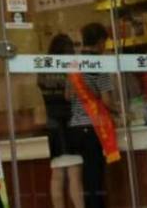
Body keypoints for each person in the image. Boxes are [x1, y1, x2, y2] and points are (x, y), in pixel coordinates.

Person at [66, 22, 118, 208]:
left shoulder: (74, 65)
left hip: (76, 128)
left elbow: (67, 95)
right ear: (100, 41)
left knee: (86, 178)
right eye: (105, 42)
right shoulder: (98, 65)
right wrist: (119, 111)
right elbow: (107, 101)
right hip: (93, 127)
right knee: (95, 177)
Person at [38, 34, 83, 208]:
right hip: (69, 124)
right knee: (74, 173)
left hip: (52, 125)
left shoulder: (43, 71)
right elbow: (69, 96)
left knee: (57, 174)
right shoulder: (67, 70)